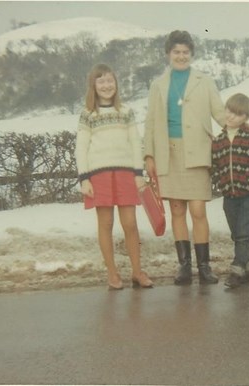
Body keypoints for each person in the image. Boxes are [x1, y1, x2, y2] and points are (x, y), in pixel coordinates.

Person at [144, 30, 226, 285]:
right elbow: (150, 123)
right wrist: (148, 154)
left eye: (185, 52)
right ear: (168, 54)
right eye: (176, 52)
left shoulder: (205, 81)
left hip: (198, 151)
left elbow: (220, 113)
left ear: (191, 54)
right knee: (177, 209)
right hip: (168, 152)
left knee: (198, 209)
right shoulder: (158, 85)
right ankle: (184, 266)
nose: (181, 56)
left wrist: (240, 127)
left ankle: (204, 266)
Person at [75, 63, 153, 290]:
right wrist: (84, 178)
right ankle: (112, 273)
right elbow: (81, 148)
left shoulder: (126, 112)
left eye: (110, 81)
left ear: (116, 84)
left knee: (130, 223)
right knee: (106, 223)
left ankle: (137, 272)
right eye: (101, 81)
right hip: (98, 175)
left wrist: (138, 174)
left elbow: (135, 143)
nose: (106, 85)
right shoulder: (88, 114)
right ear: (94, 86)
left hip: (126, 173)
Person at [211, 93, 249, 288]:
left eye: (238, 114)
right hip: (229, 195)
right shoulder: (219, 140)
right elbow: (215, 164)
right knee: (237, 233)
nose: (232, 117)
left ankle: (238, 268)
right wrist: (219, 181)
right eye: (229, 111)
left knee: (243, 233)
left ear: (246, 118)